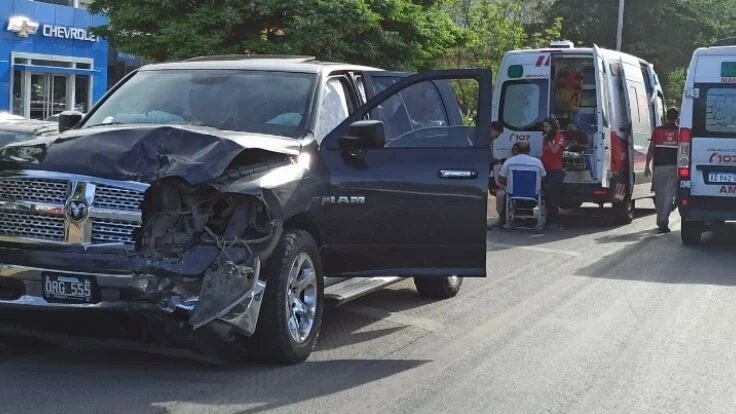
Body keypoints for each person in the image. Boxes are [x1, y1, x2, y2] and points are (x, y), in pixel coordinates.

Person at [493, 141, 546, 227]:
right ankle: (543, 221)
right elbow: (543, 178)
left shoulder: (509, 161)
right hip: (533, 196)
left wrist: (509, 183)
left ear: (517, 150)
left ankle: (503, 219)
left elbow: (500, 179)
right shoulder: (537, 162)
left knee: (503, 193)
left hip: (514, 196)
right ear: (529, 150)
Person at [645, 107, 680, 233]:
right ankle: (664, 219)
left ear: (666, 116)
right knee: (669, 195)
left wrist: (646, 165)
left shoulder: (657, 131)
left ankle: (660, 218)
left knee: (659, 195)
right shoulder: (680, 132)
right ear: (677, 117)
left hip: (658, 167)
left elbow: (651, 149)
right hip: (673, 167)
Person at [541, 117, 566, 225]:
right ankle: (546, 218)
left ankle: (554, 220)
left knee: (553, 196)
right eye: (544, 127)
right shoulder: (546, 138)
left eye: (547, 126)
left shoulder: (559, 136)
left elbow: (555, 150)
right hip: (545, 169)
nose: (545, 129)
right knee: (546, 195)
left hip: (555, 170)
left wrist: (549, 142)